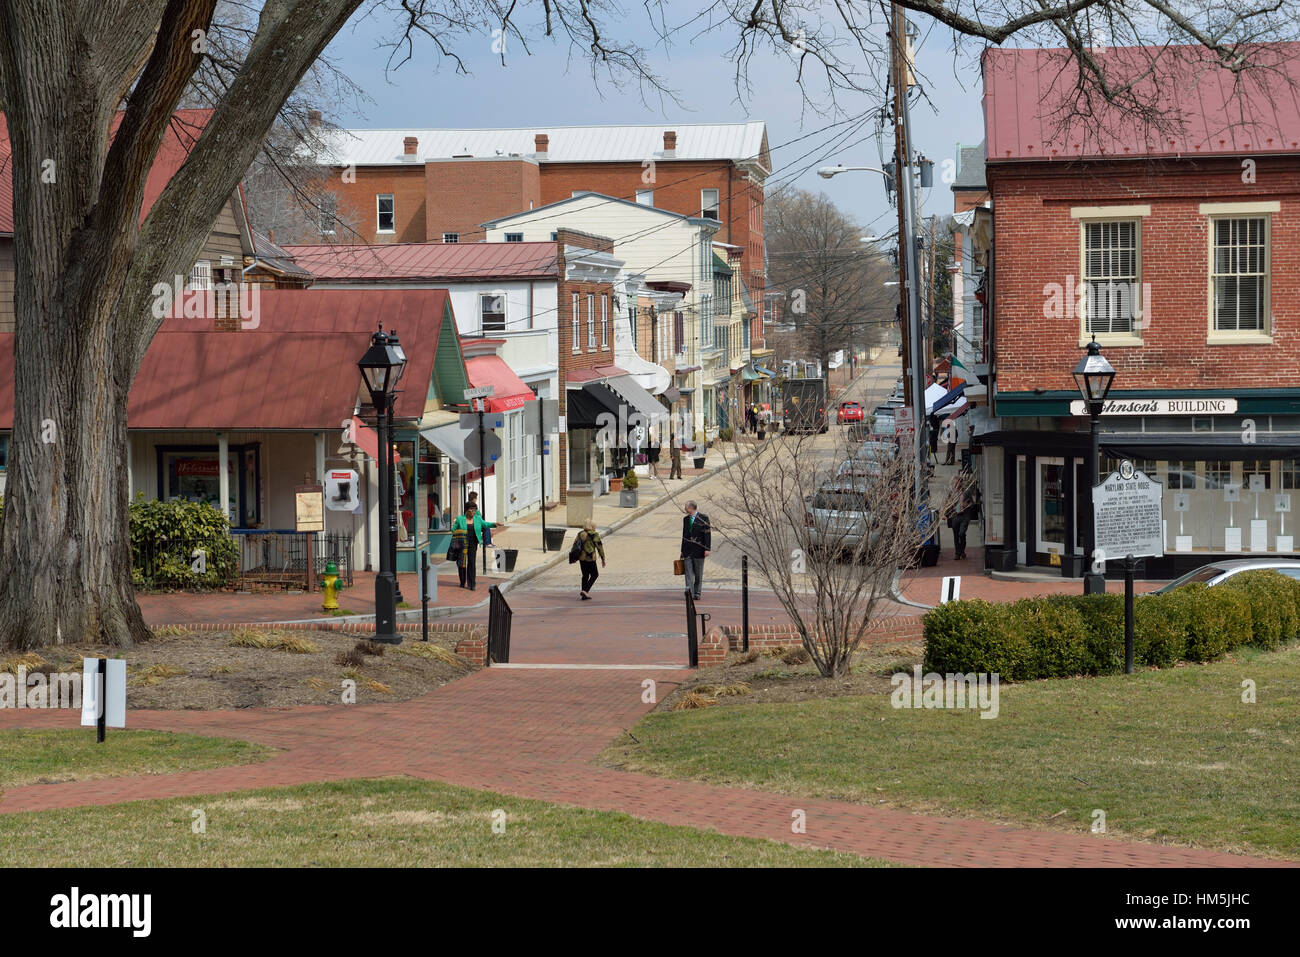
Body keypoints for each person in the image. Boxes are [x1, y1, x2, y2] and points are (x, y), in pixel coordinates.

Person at [451, 502, 495, 590]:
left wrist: (494, 524)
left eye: (475, 510)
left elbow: (485, 524)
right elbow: (453, 530)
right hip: (462, 544)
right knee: (462, 563)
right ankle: (462, 581)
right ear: (467, 510)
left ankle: (472, 584)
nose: (473, 512)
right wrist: (455, 528)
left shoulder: (477, 518)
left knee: (472, 563)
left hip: (473, 543)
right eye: (471, 509)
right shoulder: (460, 519)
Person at [680, 500, 711, 600]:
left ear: (691, 508)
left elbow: (707, 534)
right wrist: (682, 550)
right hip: (687, 550)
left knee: (698, 573)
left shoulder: (703, 518)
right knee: (688, 573)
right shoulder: (685, 519)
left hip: (699, 550)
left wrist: (707, 548)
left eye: (686, 507)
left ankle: (697, 592)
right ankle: (689, 592)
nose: (685, 509)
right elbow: (684, 535)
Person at [949, 469, 981, 561]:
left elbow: (973, 503)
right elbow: (947, 503)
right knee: (956, 535)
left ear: (961, 483)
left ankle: (962, 549)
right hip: (955, 515)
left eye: (957, 483)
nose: (956, 484)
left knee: (962, 533)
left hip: (965, 516)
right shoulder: (952, 493)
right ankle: (957, 553)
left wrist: (967, 505)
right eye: (955, 483)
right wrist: (946, 514)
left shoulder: (966, 492)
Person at [574, 518, 607, 600]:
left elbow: (575, 545)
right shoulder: (594, 534)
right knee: (595, 574)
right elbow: (599, 547)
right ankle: (585, 591)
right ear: (593, 526)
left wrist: (574, 557)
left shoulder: (580, 534)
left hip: (582, 558)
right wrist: (603, 558)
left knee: (585, 575)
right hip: (590, 558)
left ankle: (584, 594)